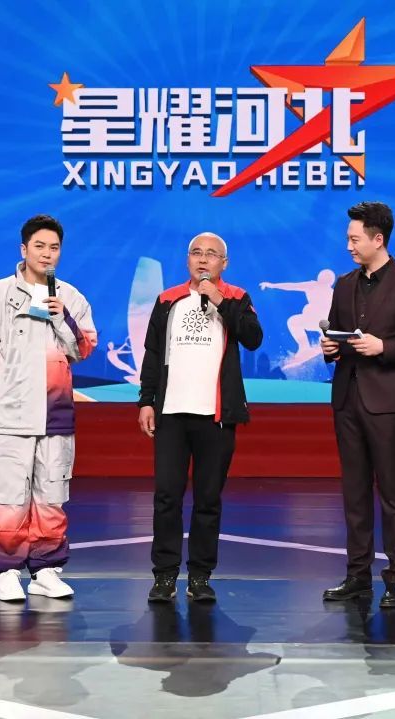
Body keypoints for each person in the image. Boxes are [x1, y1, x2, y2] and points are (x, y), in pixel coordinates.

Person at [0, 214, 97, 603]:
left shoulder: (70, 296)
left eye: (54, 247)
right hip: (9, 414)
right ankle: (6, 571)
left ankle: (45, 570)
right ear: (24, 249)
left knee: (51, 496)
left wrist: (62, 317)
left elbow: (84, 348)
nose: (47, 254)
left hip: (55, 415)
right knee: (7, 497)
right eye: (39, 246)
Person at [320, 201, 395, 609]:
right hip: (347, 397)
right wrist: (330, 349)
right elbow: (339, 338)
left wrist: (384, 347)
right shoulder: (343, 284)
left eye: (355, 239)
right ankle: (357, 576)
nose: (349, 246)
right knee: (354, 492)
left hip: (387, 401)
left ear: (378, 239)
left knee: (391, 491)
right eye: (348, 239)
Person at [137, 232, 263, 603]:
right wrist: (146, 401)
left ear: (224, 263)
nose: (203, 260)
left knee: (208, 500)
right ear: (187, 259)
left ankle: (200, 577)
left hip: (216, 417)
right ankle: (164, 576)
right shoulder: (168, 299)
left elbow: (253, 337)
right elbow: (152, 353)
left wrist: (220, 301)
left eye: (211, 254)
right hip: (172, 414)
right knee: (167, 497)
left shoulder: (237, 297)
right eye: (196, 253)